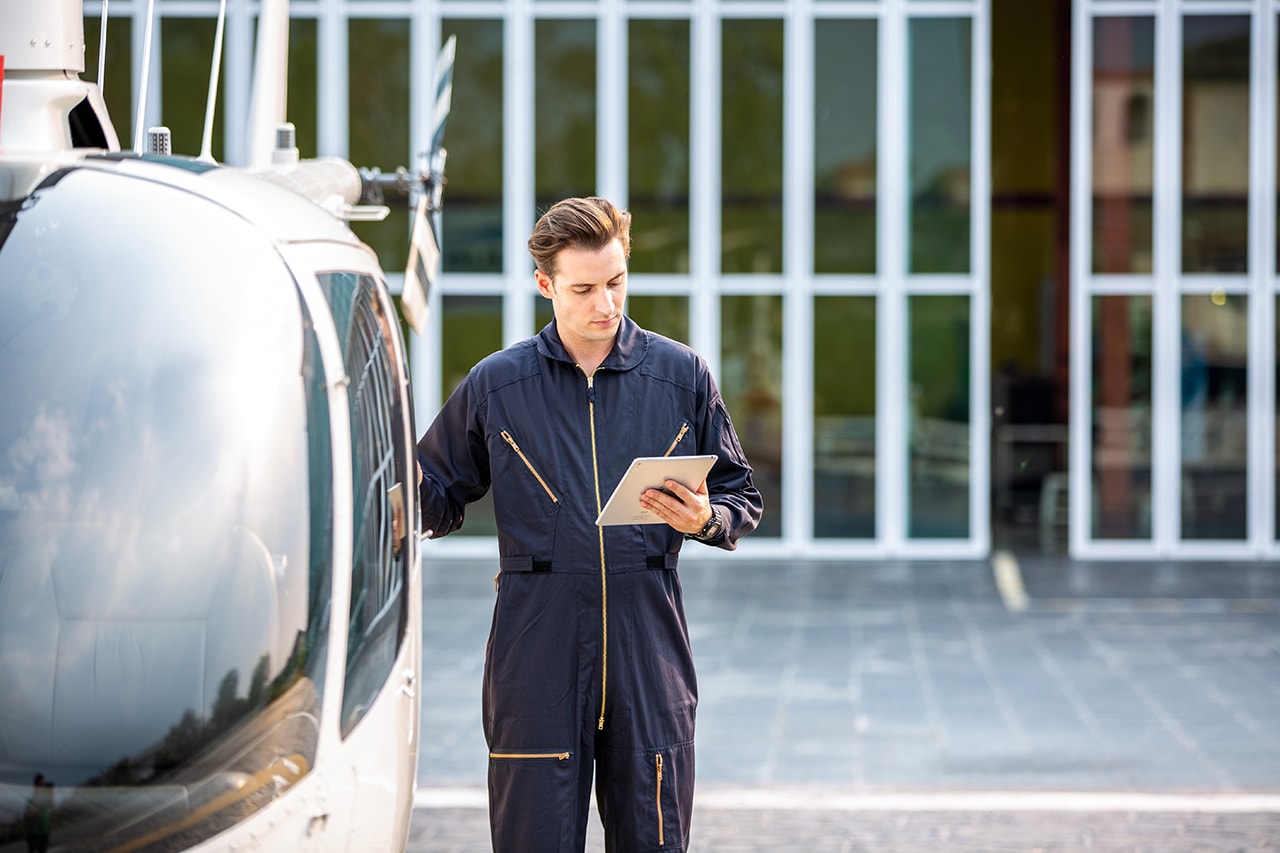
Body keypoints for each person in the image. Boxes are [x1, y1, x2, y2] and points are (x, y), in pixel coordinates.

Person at [416, 196, 763, 852]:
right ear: (545, 285)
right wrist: (379, 501)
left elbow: (740, 495)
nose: (606, 304)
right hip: (537, 658)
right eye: (584, 289)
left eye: (617, 282)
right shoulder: (497, 385)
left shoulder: (682, 377)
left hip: (649, 658)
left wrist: (706, 518)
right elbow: (433, 491)